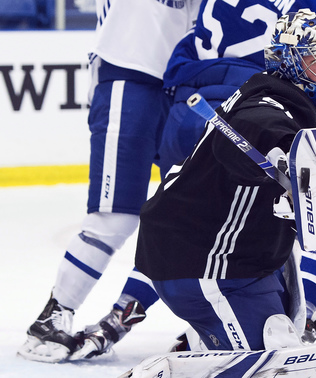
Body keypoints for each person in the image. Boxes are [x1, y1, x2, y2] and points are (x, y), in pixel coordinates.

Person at [134, 9, 316, 351]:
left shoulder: (279, 100)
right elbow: (260, 128)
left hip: (229, 259)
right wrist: (286, 152)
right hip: (203, 264)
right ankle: (216, 340)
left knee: (284, 327)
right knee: (274, 352)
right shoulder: (266, 105)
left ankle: (206, 343)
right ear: (291, 63)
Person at [17, 0, 200, 363]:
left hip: (180, 85)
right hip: (129, 73)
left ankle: (129, 319)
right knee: (114, 217)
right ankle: (53, 316)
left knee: (188, 220)